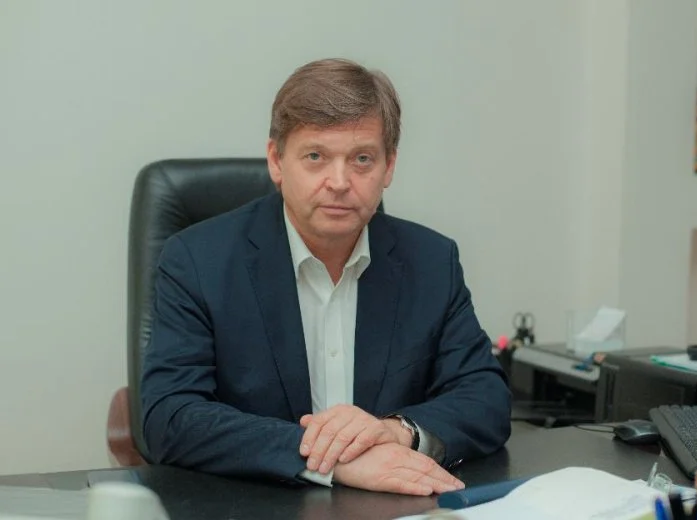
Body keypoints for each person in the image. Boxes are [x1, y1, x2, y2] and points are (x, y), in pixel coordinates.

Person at [140, 58, 512, 496]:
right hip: (257, 504)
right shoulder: (198, 260)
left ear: (389, 167)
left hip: (393, 506)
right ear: (277, 161)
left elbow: (486, 398)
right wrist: (330, 460)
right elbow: (170, 416)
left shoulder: (431, 261)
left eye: (362, 159)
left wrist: (396, 432)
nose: (339, 182)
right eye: (315, 156)